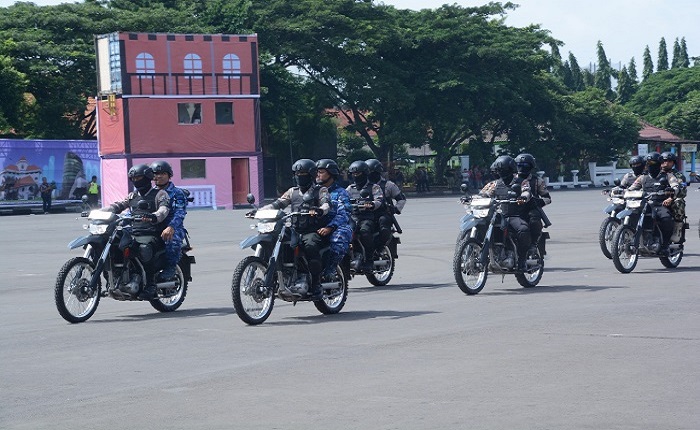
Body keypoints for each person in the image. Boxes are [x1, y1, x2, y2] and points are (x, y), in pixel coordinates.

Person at [260, 159, 331, 299]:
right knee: (274, 239)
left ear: (310, 175)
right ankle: (280, 275)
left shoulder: (320, 190)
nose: (299, 176)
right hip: (294, 229)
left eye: (303, 173)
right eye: (297, 173)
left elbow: (326, 204)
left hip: (311, 231)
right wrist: (260, 211)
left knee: (310, 245)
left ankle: (316, 283)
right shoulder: (293, 191)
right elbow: (278, 204)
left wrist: (320, 210)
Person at [106, 164, 170, 299]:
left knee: (144, 249)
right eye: (133, 178)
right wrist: (103, 210)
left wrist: (154, 216)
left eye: (139, 177)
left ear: (147, 177)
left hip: (153, 233)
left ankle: (151, 285)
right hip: (134, 232)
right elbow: (120, 205)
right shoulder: (132, 195)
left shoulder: (160, 194)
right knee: (114, 244)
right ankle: (114, 280)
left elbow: (164, 210)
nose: (136, 180)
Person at [480, 155, 530, 270]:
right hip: (498, 214)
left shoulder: (522, 182)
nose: (501, 172)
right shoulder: (495, 184)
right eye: (499, 170)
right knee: (482, 225)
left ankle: (522, 259)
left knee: (523, 230)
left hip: (513, 214)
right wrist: (472, 199)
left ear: (510, 169)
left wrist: (523, 197)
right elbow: (483, 193)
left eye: (504, 170)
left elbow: (526, 192)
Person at [628, 152, 679, 255]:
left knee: (666, 219)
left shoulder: (668, 176)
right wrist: (623, 192)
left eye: (653, 163)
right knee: (632, 215)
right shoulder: (643, 177)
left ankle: (665, 245)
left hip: (660, 204)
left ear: (659, 164)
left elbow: (675, 186)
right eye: (648, 163)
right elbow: (632, 188)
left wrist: (671, 196)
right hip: (645, 204)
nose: (651, 165)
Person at [150, 160, 188, 282]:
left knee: (171, 240)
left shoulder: (177, 193)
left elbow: (180, 213)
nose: (158, 176)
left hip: (171, 226)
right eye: (155, 174)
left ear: (169, 175)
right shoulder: (150, 192)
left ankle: (170, 268)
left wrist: (171, 227)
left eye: (162, 174)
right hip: (151, 226)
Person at [315, 159, 353, 279]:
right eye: (317, 172)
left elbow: (344, 213)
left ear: (331, 173)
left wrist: (330, 227)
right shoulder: (313, 191)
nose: (318, 175)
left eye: (321, 172)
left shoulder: (341, 192)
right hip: (315, 224)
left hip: (336, 226)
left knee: (338, 239)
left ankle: (331, 269)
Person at [346, 160, 384, 273]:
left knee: (365, 232)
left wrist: (372, 204)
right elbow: (342, 199)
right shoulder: (350, 188)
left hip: (367, 217)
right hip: (352, 217)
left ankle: (369, 259)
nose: (355, 176)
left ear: (365, 173)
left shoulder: (374, 187)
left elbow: (379, 199)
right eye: (353, 174)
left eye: (358, 173)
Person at [514, 153, 552, 253]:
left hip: (530, 209)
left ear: (531, 166)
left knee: (534, 219)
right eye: (519, 165)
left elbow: (547, 198)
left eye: (525, 166)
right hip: (512, 208)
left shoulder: (537, 180)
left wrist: (538, 202)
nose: (522, 168)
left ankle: (533, 244)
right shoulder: (511, 179)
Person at [366, 158, 406, 251]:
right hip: (364, 214)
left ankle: (380, 247)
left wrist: (395, 209)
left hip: (383, 213)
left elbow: (401, 199)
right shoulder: (360, 186)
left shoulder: (388, 185)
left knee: (384, 226)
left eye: (372, 172)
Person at [660, 151, 688, 236]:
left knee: (678, 202)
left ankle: (677, 228)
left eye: (669, 161)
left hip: (672, 199)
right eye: (664, 161)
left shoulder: (678, 175)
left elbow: (682, 191)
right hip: (656, 197)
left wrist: (671, 198)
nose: (666, 163)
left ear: (673, 163)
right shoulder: (654, 173)